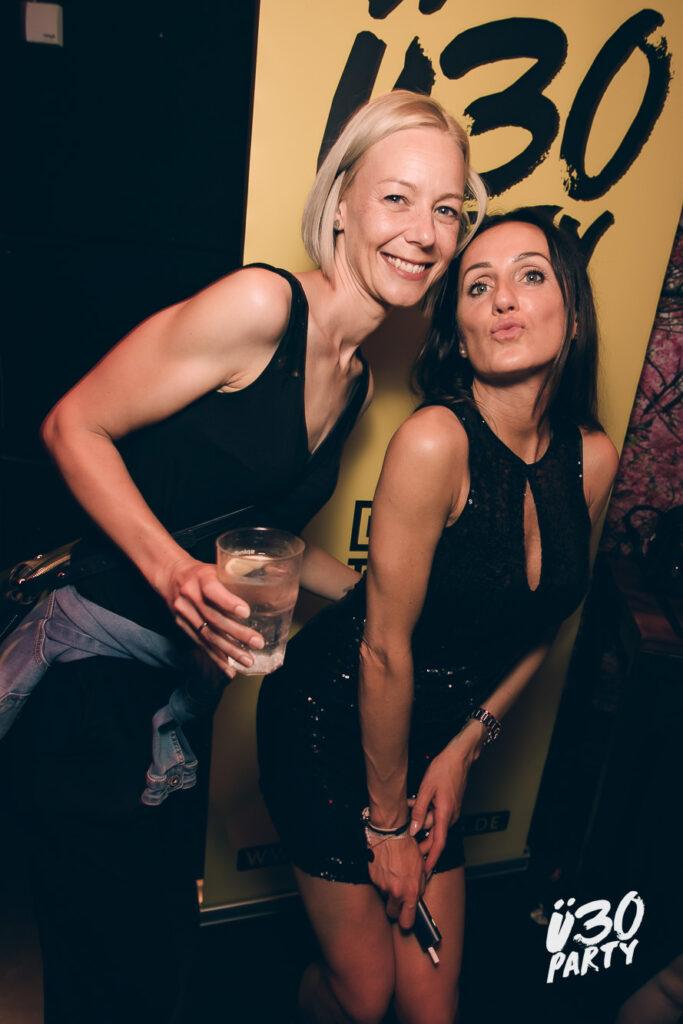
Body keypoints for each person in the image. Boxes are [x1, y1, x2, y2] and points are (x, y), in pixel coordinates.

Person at [2, 90, 485, 1024]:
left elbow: (265, 536)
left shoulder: (355, 379)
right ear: (340, 203)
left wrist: (381, 601)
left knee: (154, 966)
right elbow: (73, 425)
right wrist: (172, 573)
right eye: (397, 198)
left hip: (178, 706)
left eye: (447, 209)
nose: (425, 233)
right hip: (93, 680)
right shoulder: (262, 305)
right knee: (108, 973)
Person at [257, 208, 620, 1024]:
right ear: (457, 333)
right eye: (477, 286)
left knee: (431, 1007)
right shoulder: (434, 442)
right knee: (364, 996)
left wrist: (464, 747)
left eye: (530, 276)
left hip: (437, 735)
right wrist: (387, 827)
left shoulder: (591, 458)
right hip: (330, 719)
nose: (502, 300)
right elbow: (383, 650)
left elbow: (546, 620)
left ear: (572, 315)